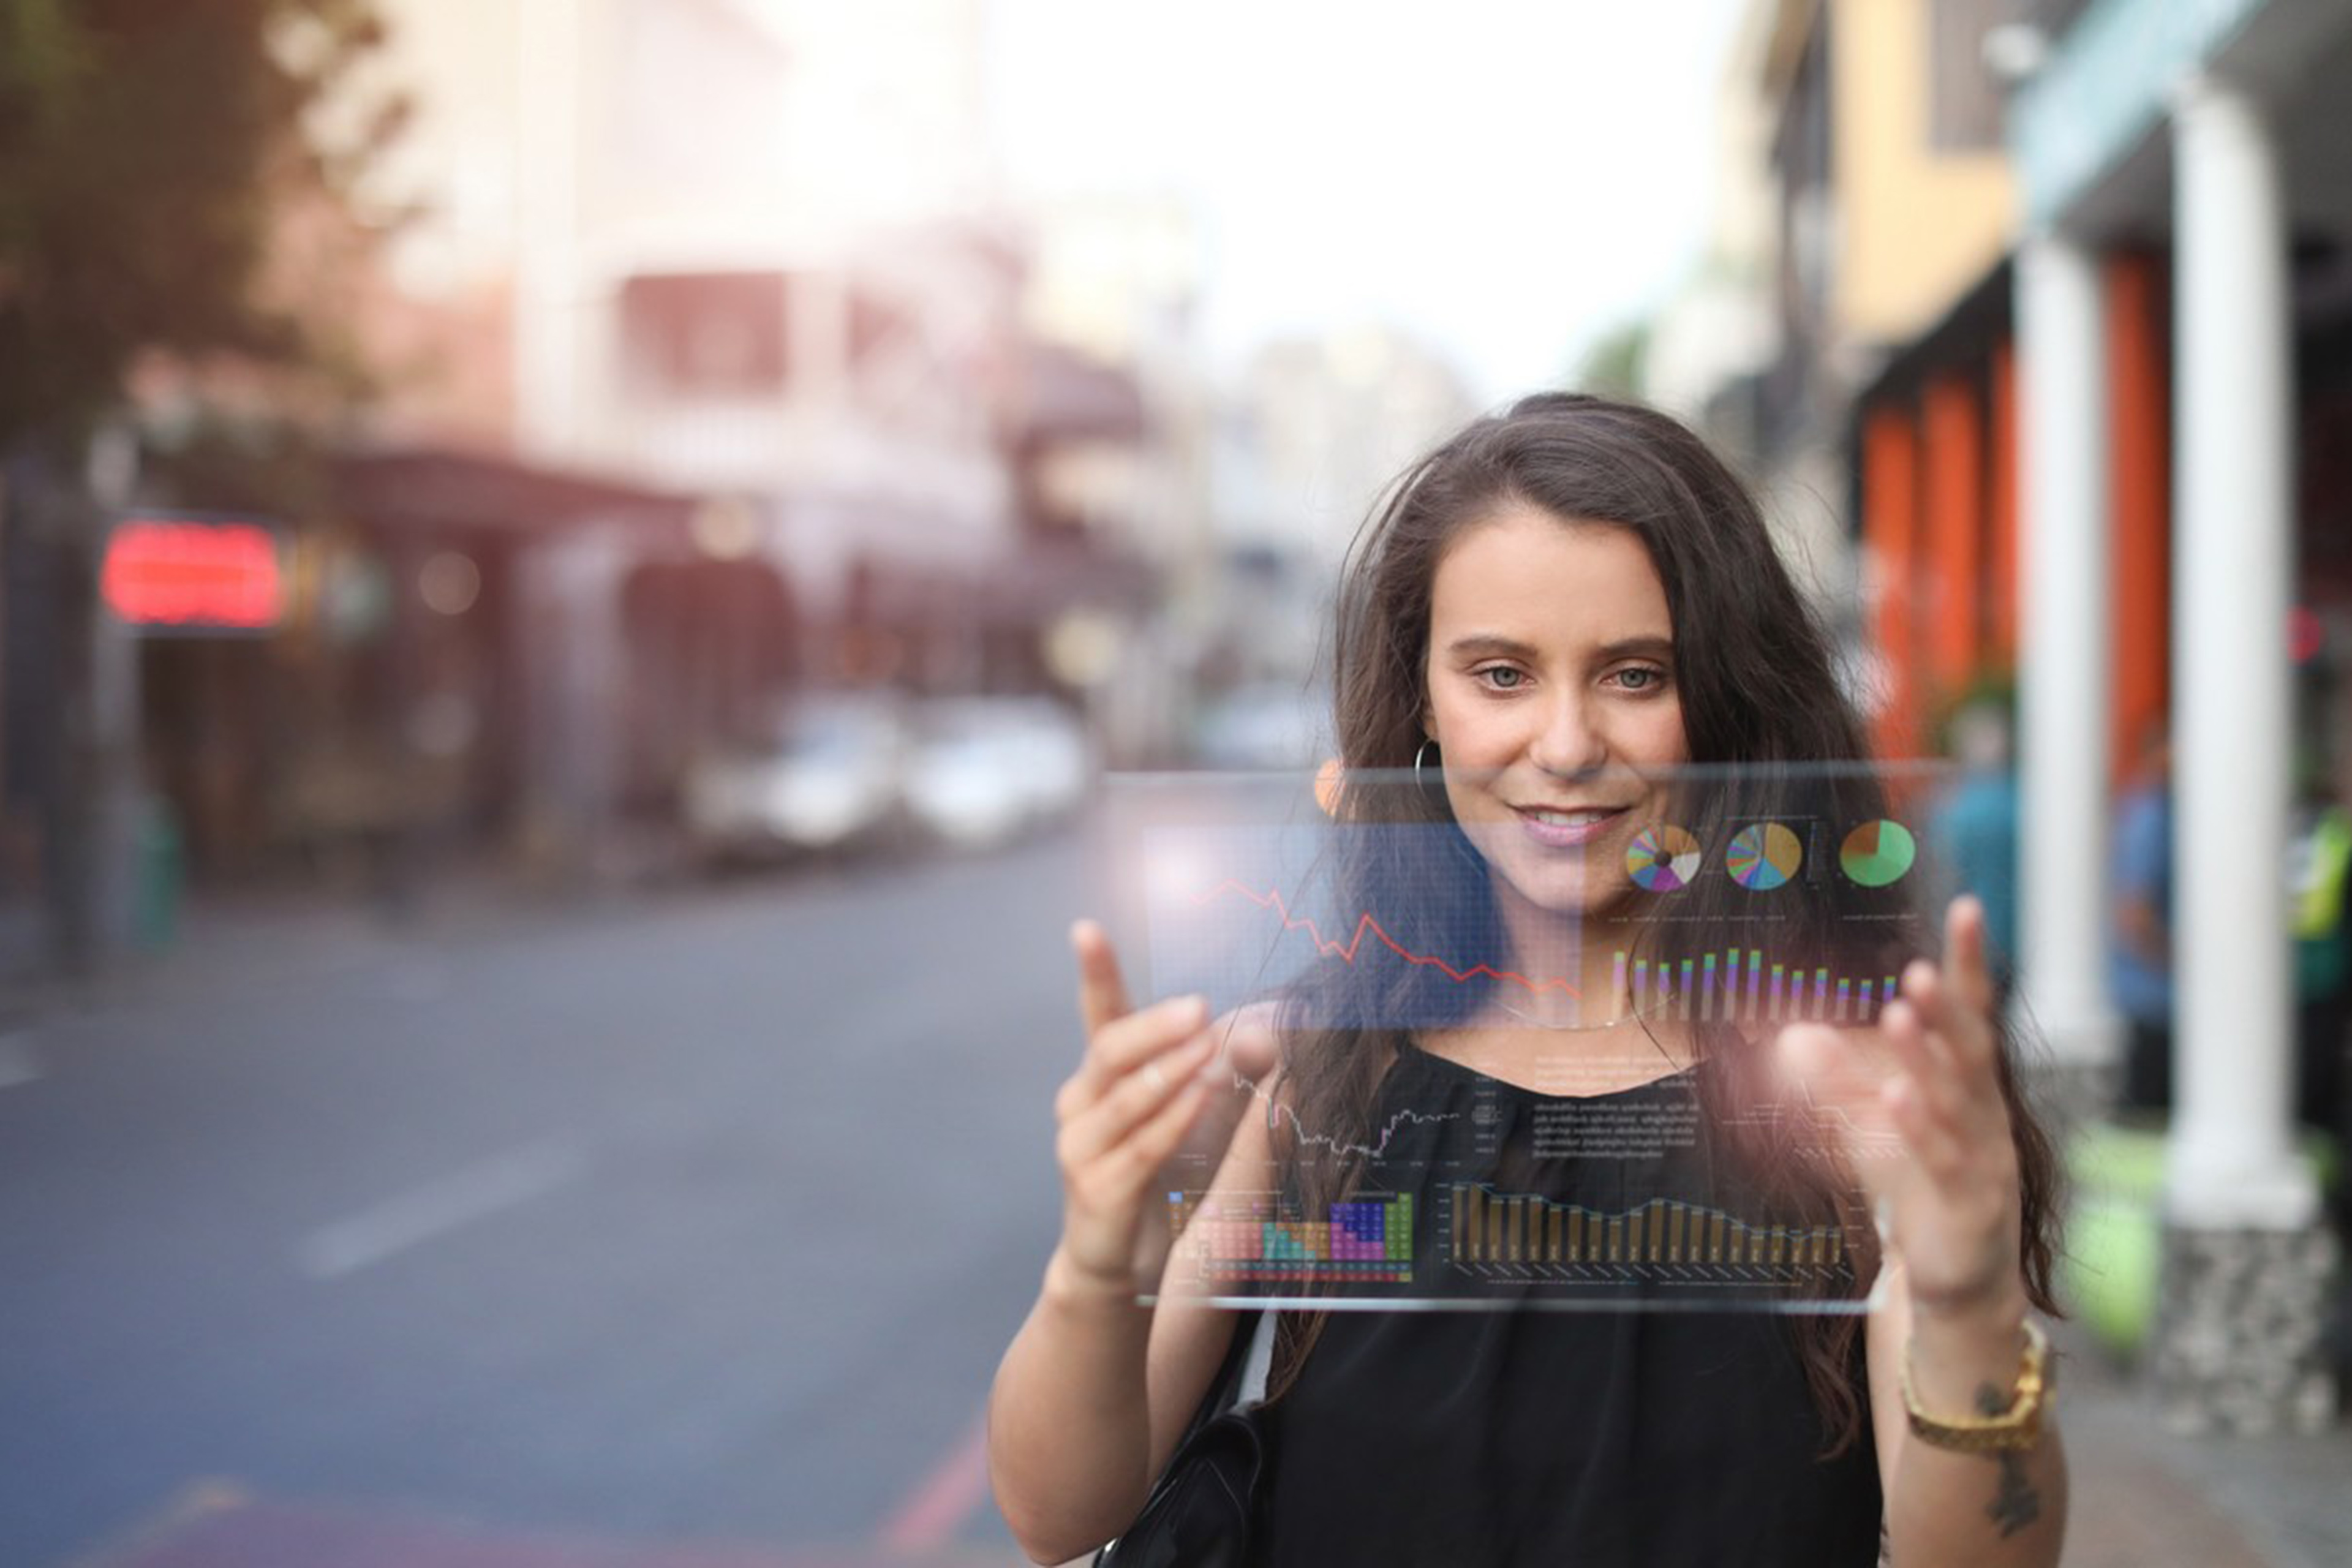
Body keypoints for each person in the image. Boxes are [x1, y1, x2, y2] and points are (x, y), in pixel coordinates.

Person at [987, 394, 2068, 1567]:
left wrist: (1963, 1303)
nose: (1562, 745)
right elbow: (1060, 1515)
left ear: (1734, 705)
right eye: (1501, 675)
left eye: (1636, 675)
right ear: (1424, 708)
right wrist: (1102, 1258)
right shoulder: (1316, 1075)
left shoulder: (1851, 1083)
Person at [2109, 721, 2174, 1114]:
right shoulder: (2151, 816)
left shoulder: (2156, 810)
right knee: (2149, 1108)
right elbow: (2135, 914)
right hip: (2156, 994)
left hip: (2156, 992)